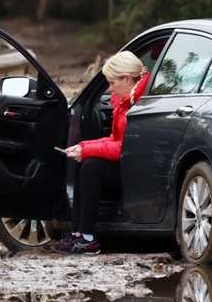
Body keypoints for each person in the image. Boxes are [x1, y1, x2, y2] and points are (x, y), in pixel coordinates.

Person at [50, 51, 149, 255]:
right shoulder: (125, 101)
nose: (110, 89)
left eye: (113, 83)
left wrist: (86, 150)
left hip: (137, 169)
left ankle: (87, 237)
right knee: (86, 163)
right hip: (130, 165)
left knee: (92, 167)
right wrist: (83, 147)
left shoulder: (137, 104)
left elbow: (124, 147)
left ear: (127, 79)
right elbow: (115, 139)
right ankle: (78, 233)